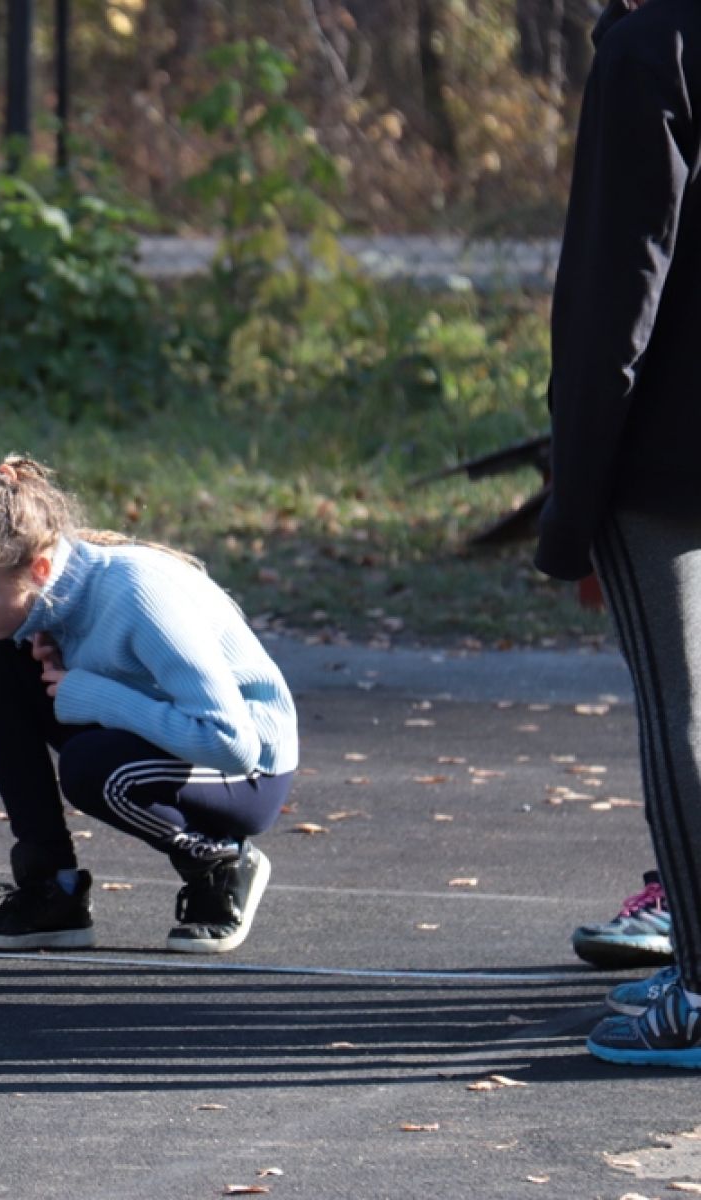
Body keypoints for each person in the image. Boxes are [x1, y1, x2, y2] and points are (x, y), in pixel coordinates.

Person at [0, 457, 298, 955]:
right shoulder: (48, 597)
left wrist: (91, 693)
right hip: (171, 737)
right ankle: (51, 891)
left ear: (38, 569)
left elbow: (232, 743)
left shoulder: (137, 595)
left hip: (249, 772)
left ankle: (220, 863)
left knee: (91, 768)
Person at [534, 0, 701, 1069]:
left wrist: (572, 497)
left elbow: (614, 287)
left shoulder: (652, 47)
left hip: (672, 453)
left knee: (685, 713)